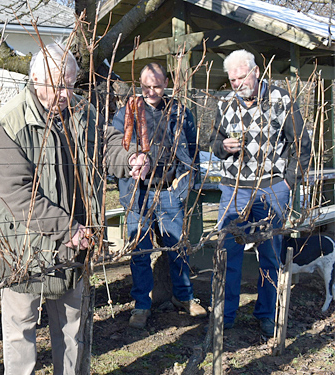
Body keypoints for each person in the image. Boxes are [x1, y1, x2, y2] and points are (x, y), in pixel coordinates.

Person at [0, 43, 145, 375]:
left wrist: (127, 159)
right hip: (25, 250)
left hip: (74, 246)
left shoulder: (81, 111)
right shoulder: (11, 123)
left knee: (73, 331)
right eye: (58, 84)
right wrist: (67, 228)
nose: (65, 93)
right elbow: (14, 194)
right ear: (34, 78)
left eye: (71, 84)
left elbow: (107, 142)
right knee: (21, 335)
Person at [212, 49, 311, 336]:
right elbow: (214, 142)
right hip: (233, 190)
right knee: (227, 254)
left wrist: (289, 182)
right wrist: (223, 147)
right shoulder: (226, 103)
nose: (238, 84)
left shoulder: (281, 100)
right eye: (232, 80)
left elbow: (301, 145)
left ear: (256, 72)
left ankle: (266, 313)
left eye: (242, 77)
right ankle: (225, 315)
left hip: (271, 190)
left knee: (269, 256)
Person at [112, 63, 206, 328]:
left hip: (168, 191)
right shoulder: (125, 114)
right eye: (145, 86)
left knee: (177, 248)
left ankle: (184, 297)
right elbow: (113, 150)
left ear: (166, 83)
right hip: (136, 193)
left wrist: (185, 181)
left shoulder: (179, 112)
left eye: (157, 86)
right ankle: (141, 305)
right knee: (139, 251)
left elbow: (193, 149)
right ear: (139, 84)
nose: (151, 91)